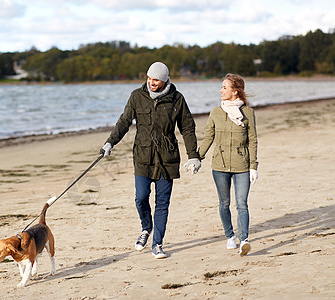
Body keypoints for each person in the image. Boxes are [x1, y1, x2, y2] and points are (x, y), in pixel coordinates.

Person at [100, 62, 201, 259]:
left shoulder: (177, 99)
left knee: (162, 203)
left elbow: (187, 128)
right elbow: (124, 122)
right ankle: (146, 228)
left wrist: (193, 156)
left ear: (164, 80)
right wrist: (109, 143)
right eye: (149, 78)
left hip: (167, 158)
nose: (151, 82)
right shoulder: (137, 96)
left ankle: (158, 244)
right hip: (143, 157)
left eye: (155, 79)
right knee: (140, 197)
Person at [198, 73, 258, 256]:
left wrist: (253, 166)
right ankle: (230, 236)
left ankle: (244, 240)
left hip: (242, 165)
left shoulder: (248, 113)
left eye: (224, 87)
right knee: (224, 203)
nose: (221, 90)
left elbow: (253, 140)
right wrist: (197, 158)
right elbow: (208, 136)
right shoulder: (216, 112)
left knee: (242, 204)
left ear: (235, 91)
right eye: (222, 87)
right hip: (220, 166)